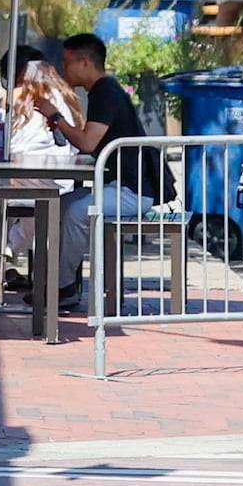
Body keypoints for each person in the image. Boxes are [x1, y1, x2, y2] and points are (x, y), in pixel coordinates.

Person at [55, 32, 156, 318]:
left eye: (67, 62)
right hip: (117, 185)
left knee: (76, 211)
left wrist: (56, 119)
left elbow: (88, 141)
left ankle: (62, 287)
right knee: (60, 204)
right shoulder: (103, 91)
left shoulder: (105, 92)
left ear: (84, 62)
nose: (64, 69)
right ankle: (66, 284)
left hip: (132, 192)